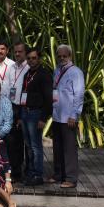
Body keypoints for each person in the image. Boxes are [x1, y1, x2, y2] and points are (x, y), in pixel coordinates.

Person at [50, 44, 85, 188]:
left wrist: (74, 115)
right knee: (57, 147)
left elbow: (79, 95)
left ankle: (71, 178)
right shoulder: (57, 70)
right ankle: (59, 174)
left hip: (68, 117)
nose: (62, 58)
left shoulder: (76, 72)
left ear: (70, 56)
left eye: (65, 56)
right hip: (57, 115)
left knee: (69, 149)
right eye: (59, 56)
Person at [20, 48, 52, 186]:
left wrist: (43, 118)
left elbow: (49, 98)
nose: (31, 61)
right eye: (29, 58)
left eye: (34, 58)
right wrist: (21, 115)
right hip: (25, 112)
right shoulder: (27, 74)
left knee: (36, 146)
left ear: (39, 58)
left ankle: (38, 175)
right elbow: (23, 93)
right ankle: (30, 172)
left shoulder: (44, 75)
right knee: (28, 145)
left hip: (36, 114)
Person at [5, 42, 29, 182]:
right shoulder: (12, 67)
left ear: (25, 52)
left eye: (20, 52)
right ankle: (15, 170)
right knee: (13, 141)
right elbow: (8, 87)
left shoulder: (28, 68)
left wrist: (21, 113)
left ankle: (23, 171)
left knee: (24, 142)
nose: (18, 54)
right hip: (11, 106)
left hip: (23, 106)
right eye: (16, 52)